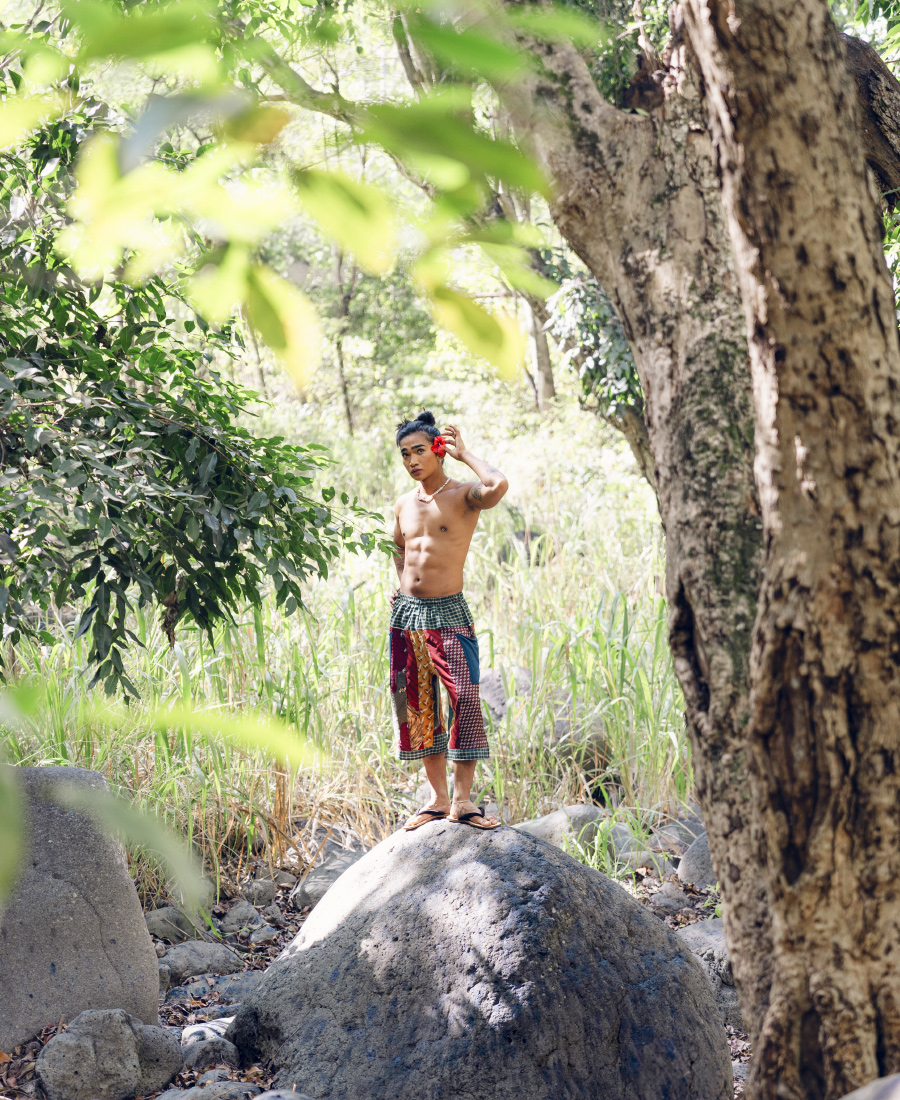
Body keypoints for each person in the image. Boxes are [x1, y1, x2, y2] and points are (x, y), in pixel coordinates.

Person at [390, 410, 508, 831]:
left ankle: (463, 801)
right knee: (419, 708)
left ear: (437, 449)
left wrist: (465, 454)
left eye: (419, 450)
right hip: (407, 617)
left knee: (466, 702)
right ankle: (438, 800)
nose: (411, 461)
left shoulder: (462, 495)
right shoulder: (404, 503)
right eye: (405, 454)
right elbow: (400, 550)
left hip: (449, 615)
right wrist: (401, 584)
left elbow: (499, 485)